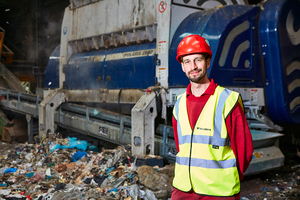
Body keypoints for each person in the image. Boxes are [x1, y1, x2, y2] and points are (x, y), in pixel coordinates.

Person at [171, 34, 254, 200]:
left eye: (198, 60)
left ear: (208, 62)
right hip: (183, 190)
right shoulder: (179, 104)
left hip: (218, 192)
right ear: (182, 66)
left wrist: (230, 178)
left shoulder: (227, 100)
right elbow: (182, 147)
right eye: (187, 61)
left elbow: (244, 150)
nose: (193, 66)